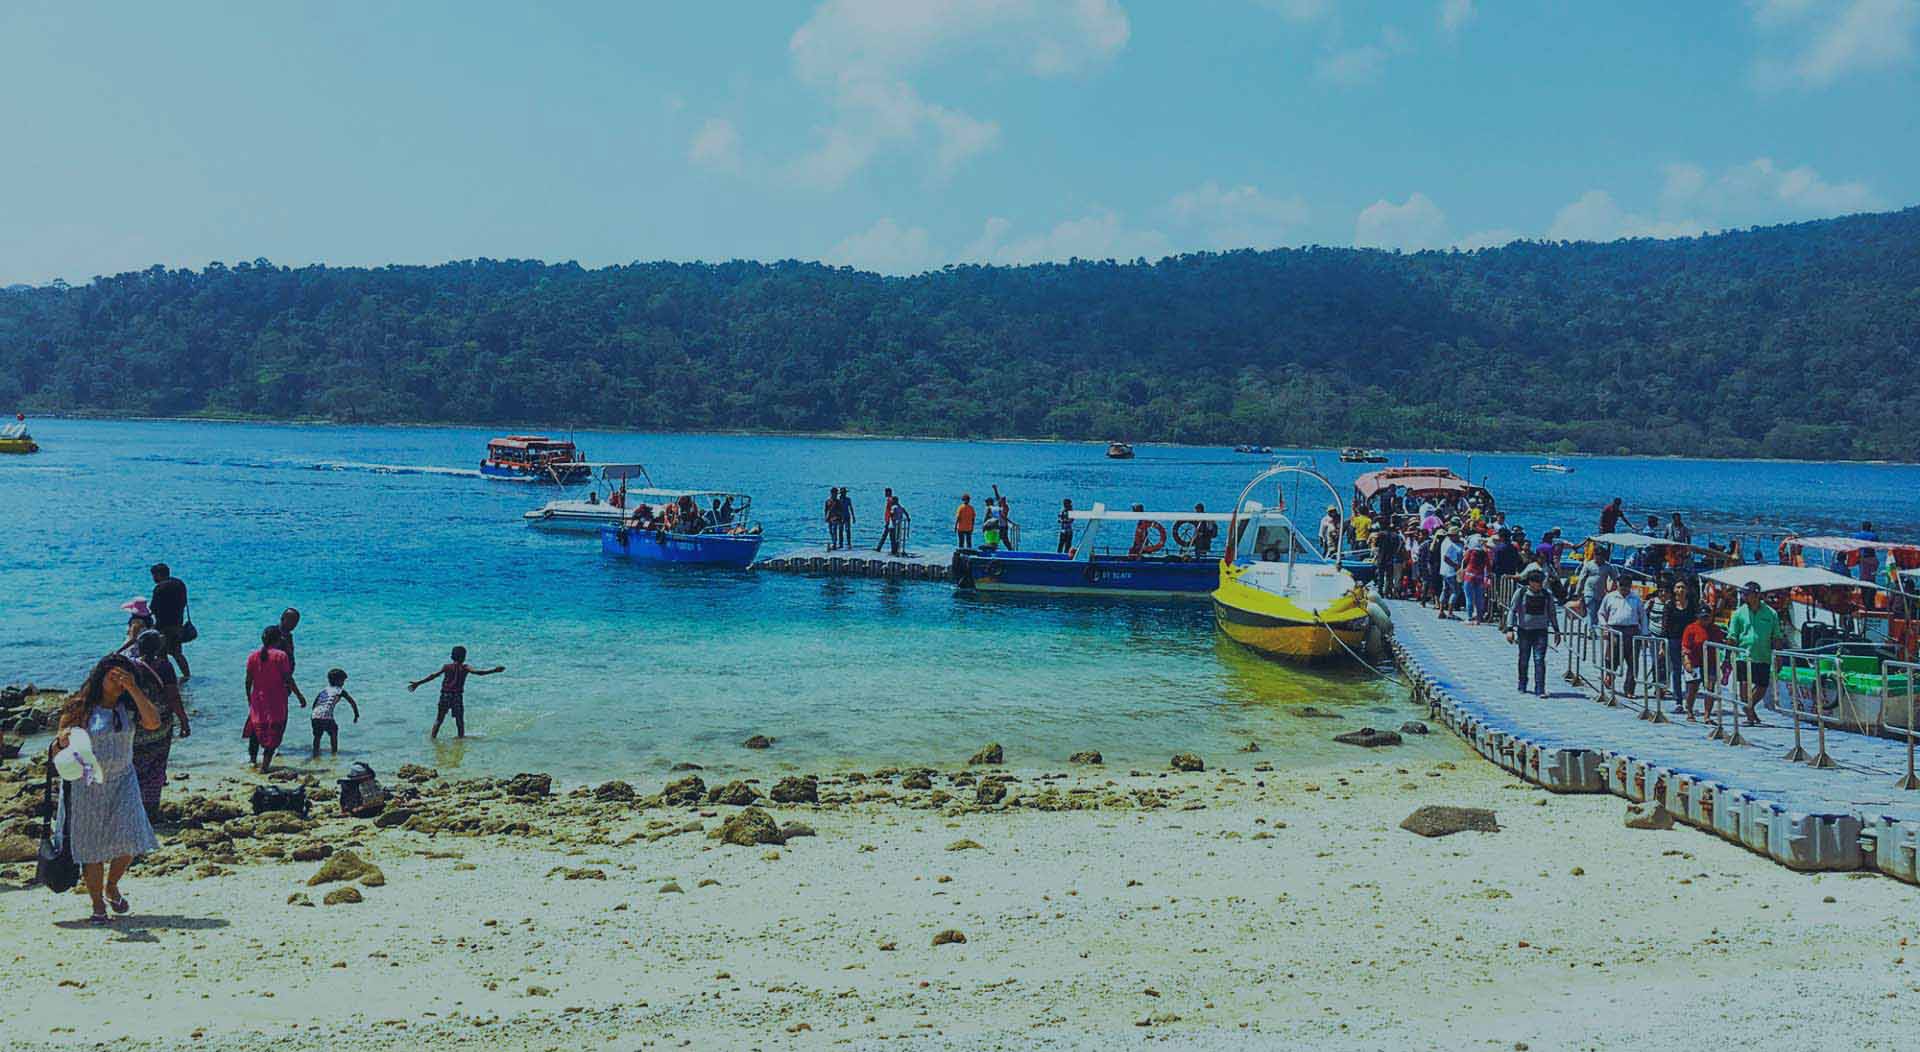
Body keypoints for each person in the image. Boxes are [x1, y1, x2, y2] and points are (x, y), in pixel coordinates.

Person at [52, 655, 163, 924]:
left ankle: (111, 886)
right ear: (100, 677)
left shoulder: (129, 708)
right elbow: (57, 750)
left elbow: (153, 723)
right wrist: (61, 741)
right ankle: (97, 905)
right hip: (86, 784)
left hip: (123, 779)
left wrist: (134, 689)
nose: (118, 681)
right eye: (113, 675)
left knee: (133, 834)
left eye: (124, 676)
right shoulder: (80, 708)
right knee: (91, 846)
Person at [119, 626, 188, 817]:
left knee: (134, 765)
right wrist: (183, 720)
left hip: (136, 726)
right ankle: (150, 810)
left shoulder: (130, 666)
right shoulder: (164, 666)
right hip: (161, 725)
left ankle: (130, 806)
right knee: (156, 766)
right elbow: (173, 696)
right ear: (158, 647)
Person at [244, 625, 305, 772]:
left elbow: (248, 681)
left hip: (258, 699)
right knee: (275, 732)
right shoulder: (281, 656)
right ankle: (264, 766)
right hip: (277, 700)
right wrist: (299, 696)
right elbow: (288, 678)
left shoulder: (252, 656)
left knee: (255, 730)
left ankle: (252, 761)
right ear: (279, 640)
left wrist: (249, 698)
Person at [409, 646, 505, 739]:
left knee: (439, 719)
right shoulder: (465, 667)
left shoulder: (446, 667)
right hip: (457, 697)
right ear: (464, 657)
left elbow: (433, 676)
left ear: (451, 657)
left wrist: (418, 683)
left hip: (445, 695)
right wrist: (494, 670)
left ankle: (433, 738)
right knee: (459, 721)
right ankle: (460, 739)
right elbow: (478, 672)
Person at [1723, 582, 1784, 724]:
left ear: (1757, 595)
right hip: (1744, 654)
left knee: (1762, 686)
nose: (1744, 596)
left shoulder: (1771, 613)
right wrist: (1727, 658)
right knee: (1744, 683)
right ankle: (1750, 715)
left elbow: (1776, 636)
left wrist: (1778, 656)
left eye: (1747, 593)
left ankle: (1749, 708)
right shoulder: (1738, 613)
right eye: (1743, 594)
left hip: (1764, 655)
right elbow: (1732, 636)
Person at [1504, 569, 1561, 696]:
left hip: (1541, 631)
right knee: (1524, 659)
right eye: (1537, 583)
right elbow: (1512, 610)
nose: (1540, 585)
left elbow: (1552, 613)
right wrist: (1509, 629)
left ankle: (1540, 688)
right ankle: (1522, 683)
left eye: (1541, 582)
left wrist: (1557, 630)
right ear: (1530, 582)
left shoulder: (1547, 595)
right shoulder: (1521, 593)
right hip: (1524, 631)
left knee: (1539, 659)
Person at [1597, 574, 1649, 697]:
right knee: (1613, 658)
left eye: (1627, 586)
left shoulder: (1636, 599)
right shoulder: (1610, 597)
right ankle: (1609, 676)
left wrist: (1645, 635)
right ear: (1618, 585)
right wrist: (1605, 627)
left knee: (1633, 662)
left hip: (1632, 631)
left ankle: (1630, 689)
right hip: (1615, 630)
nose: (1624, 589)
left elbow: (1643, 617)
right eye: (1622, 586)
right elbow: (1601, 613)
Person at [148, 563, 191, 680]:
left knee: (161, 654)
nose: (153, 578)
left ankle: (167, 677)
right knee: (177, 653)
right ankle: (187, 676)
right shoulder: (180, 583)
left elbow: (153, 607)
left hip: (163, 626)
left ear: (159, 574)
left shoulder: (159, 588)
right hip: (178, 624)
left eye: (154, 575)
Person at [1680, 606, 1721, 721]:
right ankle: (1689, 711)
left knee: (1710, 689)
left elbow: (1723, 643)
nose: (1705, 620)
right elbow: (1685, 646)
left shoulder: (1715, 629)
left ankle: (1707, 715)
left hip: (1711, 663)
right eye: (1703, 617)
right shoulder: (1691, 628)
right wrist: (1686, 661)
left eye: (1707, 617)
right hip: (1694, 662)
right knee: (1692, 688)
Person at [310, 668, 360, 757]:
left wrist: (315, 715)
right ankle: (334, 754)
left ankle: (315, 754)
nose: (343, 683)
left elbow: (315, 704)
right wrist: (356, 715)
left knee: (317, 737)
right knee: (334, 732)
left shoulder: (324, 691)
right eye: (343, 681)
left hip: (315, 715)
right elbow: (352, 702)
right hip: (326, 716)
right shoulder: (340, 690)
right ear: (338, 681)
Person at [1574, 545, 1613, 625]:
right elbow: (1582, 578)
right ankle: (1590, 632)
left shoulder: (1608, 567)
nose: (1597, 558)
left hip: (1601, 593)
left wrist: (1611, 591)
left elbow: (1615, 578)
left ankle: (1591, 628)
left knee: (1598, 614)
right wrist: (1578, 591)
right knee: (1591, 612)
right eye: (1596, 555)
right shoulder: (1589, 565)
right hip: (1589, 592)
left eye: (1600, 556)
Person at [1460, 536, 1491, 623]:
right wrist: (1488, 576)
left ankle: (1469, 618)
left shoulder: (1470, 552)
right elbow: (1488, 566)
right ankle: (1478, 619)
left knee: (1469, 598)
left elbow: (1465, 561)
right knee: (1479, 599)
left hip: (1469, 576)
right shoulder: (1484, 553)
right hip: (1480, 577)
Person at [1437, 528, 1465, 619]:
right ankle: (1450, 612)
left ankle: (1441, 611)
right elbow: (1446, 558)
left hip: (1444, 571)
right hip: (1451, 571)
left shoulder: (1445, 542)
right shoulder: (1450, 545)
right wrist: (1456, 566)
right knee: (1455, 591)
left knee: (1445, 590)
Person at [276, 607, 301, 672]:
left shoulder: (288, 636)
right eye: (291, 620)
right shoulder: (274, 634)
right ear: (282, 619)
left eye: (296, 621)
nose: (294, 624)